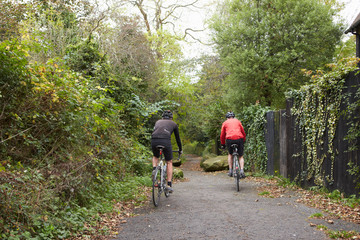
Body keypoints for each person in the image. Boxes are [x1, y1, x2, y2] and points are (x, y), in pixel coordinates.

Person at [151, 110, 182, 193]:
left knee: (155, 156)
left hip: (154, 140)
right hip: (165, 140)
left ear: (162, 117)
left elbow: (154, 131)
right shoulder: (173, 124)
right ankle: (169, 184)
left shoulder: (158, 122)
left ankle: (154, 168)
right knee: (169, 162)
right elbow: (177, 139)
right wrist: (180, 149)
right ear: (171, 118)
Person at [220, 111, 246, 178]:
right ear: (233, 117)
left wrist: (223, 144)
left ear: (227, 118)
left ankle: (230, 170)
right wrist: (243, 140)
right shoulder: (238, 121)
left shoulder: (225, 123)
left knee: (230, 154)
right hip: (239, 138)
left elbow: (222, 135)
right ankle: (242, 170)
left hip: (230, 139)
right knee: (240, 156)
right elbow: (243, 131)